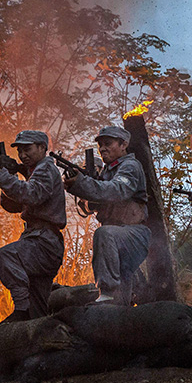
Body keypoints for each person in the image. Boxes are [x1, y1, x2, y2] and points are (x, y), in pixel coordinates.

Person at [0, 130, 67, 322]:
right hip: (38, 239)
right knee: (37, 308)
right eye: (20, 151)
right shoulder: (33, 172)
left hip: (44, 242)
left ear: (42, 148)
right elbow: (12, 205)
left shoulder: (45, 169)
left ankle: (21, 309)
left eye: (27, 149)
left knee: (6, 255)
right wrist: (6, 178)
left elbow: (33, 194)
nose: (22, 155)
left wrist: (4, 177)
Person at [64, 125, 150, 305]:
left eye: (108, 143)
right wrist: (80, 186)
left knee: (104, 234)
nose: (103, 148)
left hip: (132, 233)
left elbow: (118, 190)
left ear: (123, 144)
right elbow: (91, 206)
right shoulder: (108, 171)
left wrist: (83, 183)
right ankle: (118, 311)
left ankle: (107, 292)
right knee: (122, 293)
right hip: (118, 237)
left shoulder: (130, 166)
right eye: (100, 145)